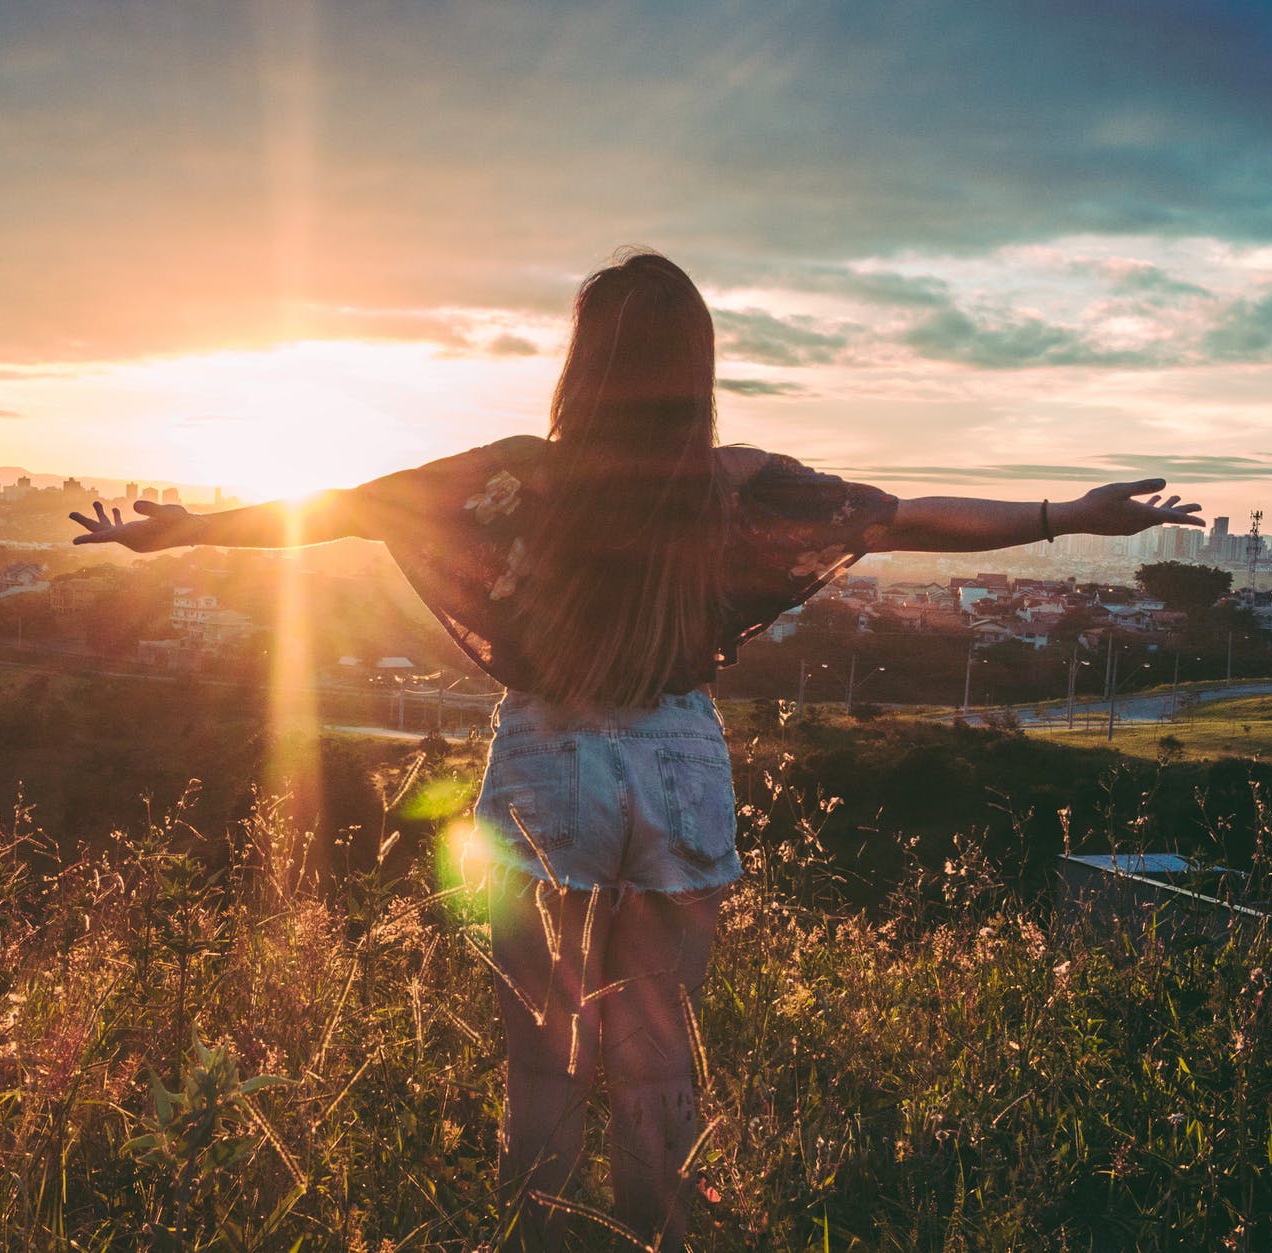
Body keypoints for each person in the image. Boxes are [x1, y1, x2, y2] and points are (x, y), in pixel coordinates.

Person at [68, 249, 1204, 1246]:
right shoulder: (737, 482)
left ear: (582, 362)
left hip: (544, 758)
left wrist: (175, 531)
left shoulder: (515, 473)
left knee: (542, 1045)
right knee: (657, 1027)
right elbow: (902, 513)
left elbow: (338, 507)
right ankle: (655, 1229)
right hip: (677, 757)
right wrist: (1066, 514)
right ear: (693, 365)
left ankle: (543, 1237)